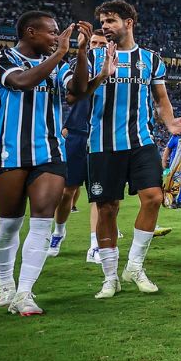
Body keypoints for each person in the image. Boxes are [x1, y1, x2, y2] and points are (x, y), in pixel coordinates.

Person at [0, 12, 96, 316]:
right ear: (30, 31)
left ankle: (24, 293)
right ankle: (5, 283)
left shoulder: (58, 63)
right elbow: (22, 82)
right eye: (51, 33)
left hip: (50, 151)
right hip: (11, 151)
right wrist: (62, 51)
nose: (55, 37)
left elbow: (77, 91)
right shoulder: (1, 57)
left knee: (40, 222)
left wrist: (81, 52)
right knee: (9, 226)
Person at [84, 0, 181, 299]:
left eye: (111, 20)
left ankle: (135, 266)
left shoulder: (151, 59)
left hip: (140, 142)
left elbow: (161, 98)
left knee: (154, 197)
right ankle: (109, 277)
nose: (105, 26)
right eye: (103, 21)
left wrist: (169, 124)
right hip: (103, 143)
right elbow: (78, 92)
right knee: (107, 208)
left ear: (128, 23)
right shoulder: (92, 57)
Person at [53, 29, 105, 262]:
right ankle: (58, 232)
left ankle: (94, 244)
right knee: (67, 191)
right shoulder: (75, 65)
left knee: (98, 194)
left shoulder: (118, 69)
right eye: (93, 42)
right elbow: (73, 94)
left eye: (102, 43)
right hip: (75, 134)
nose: (97, 46)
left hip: (102, 136)